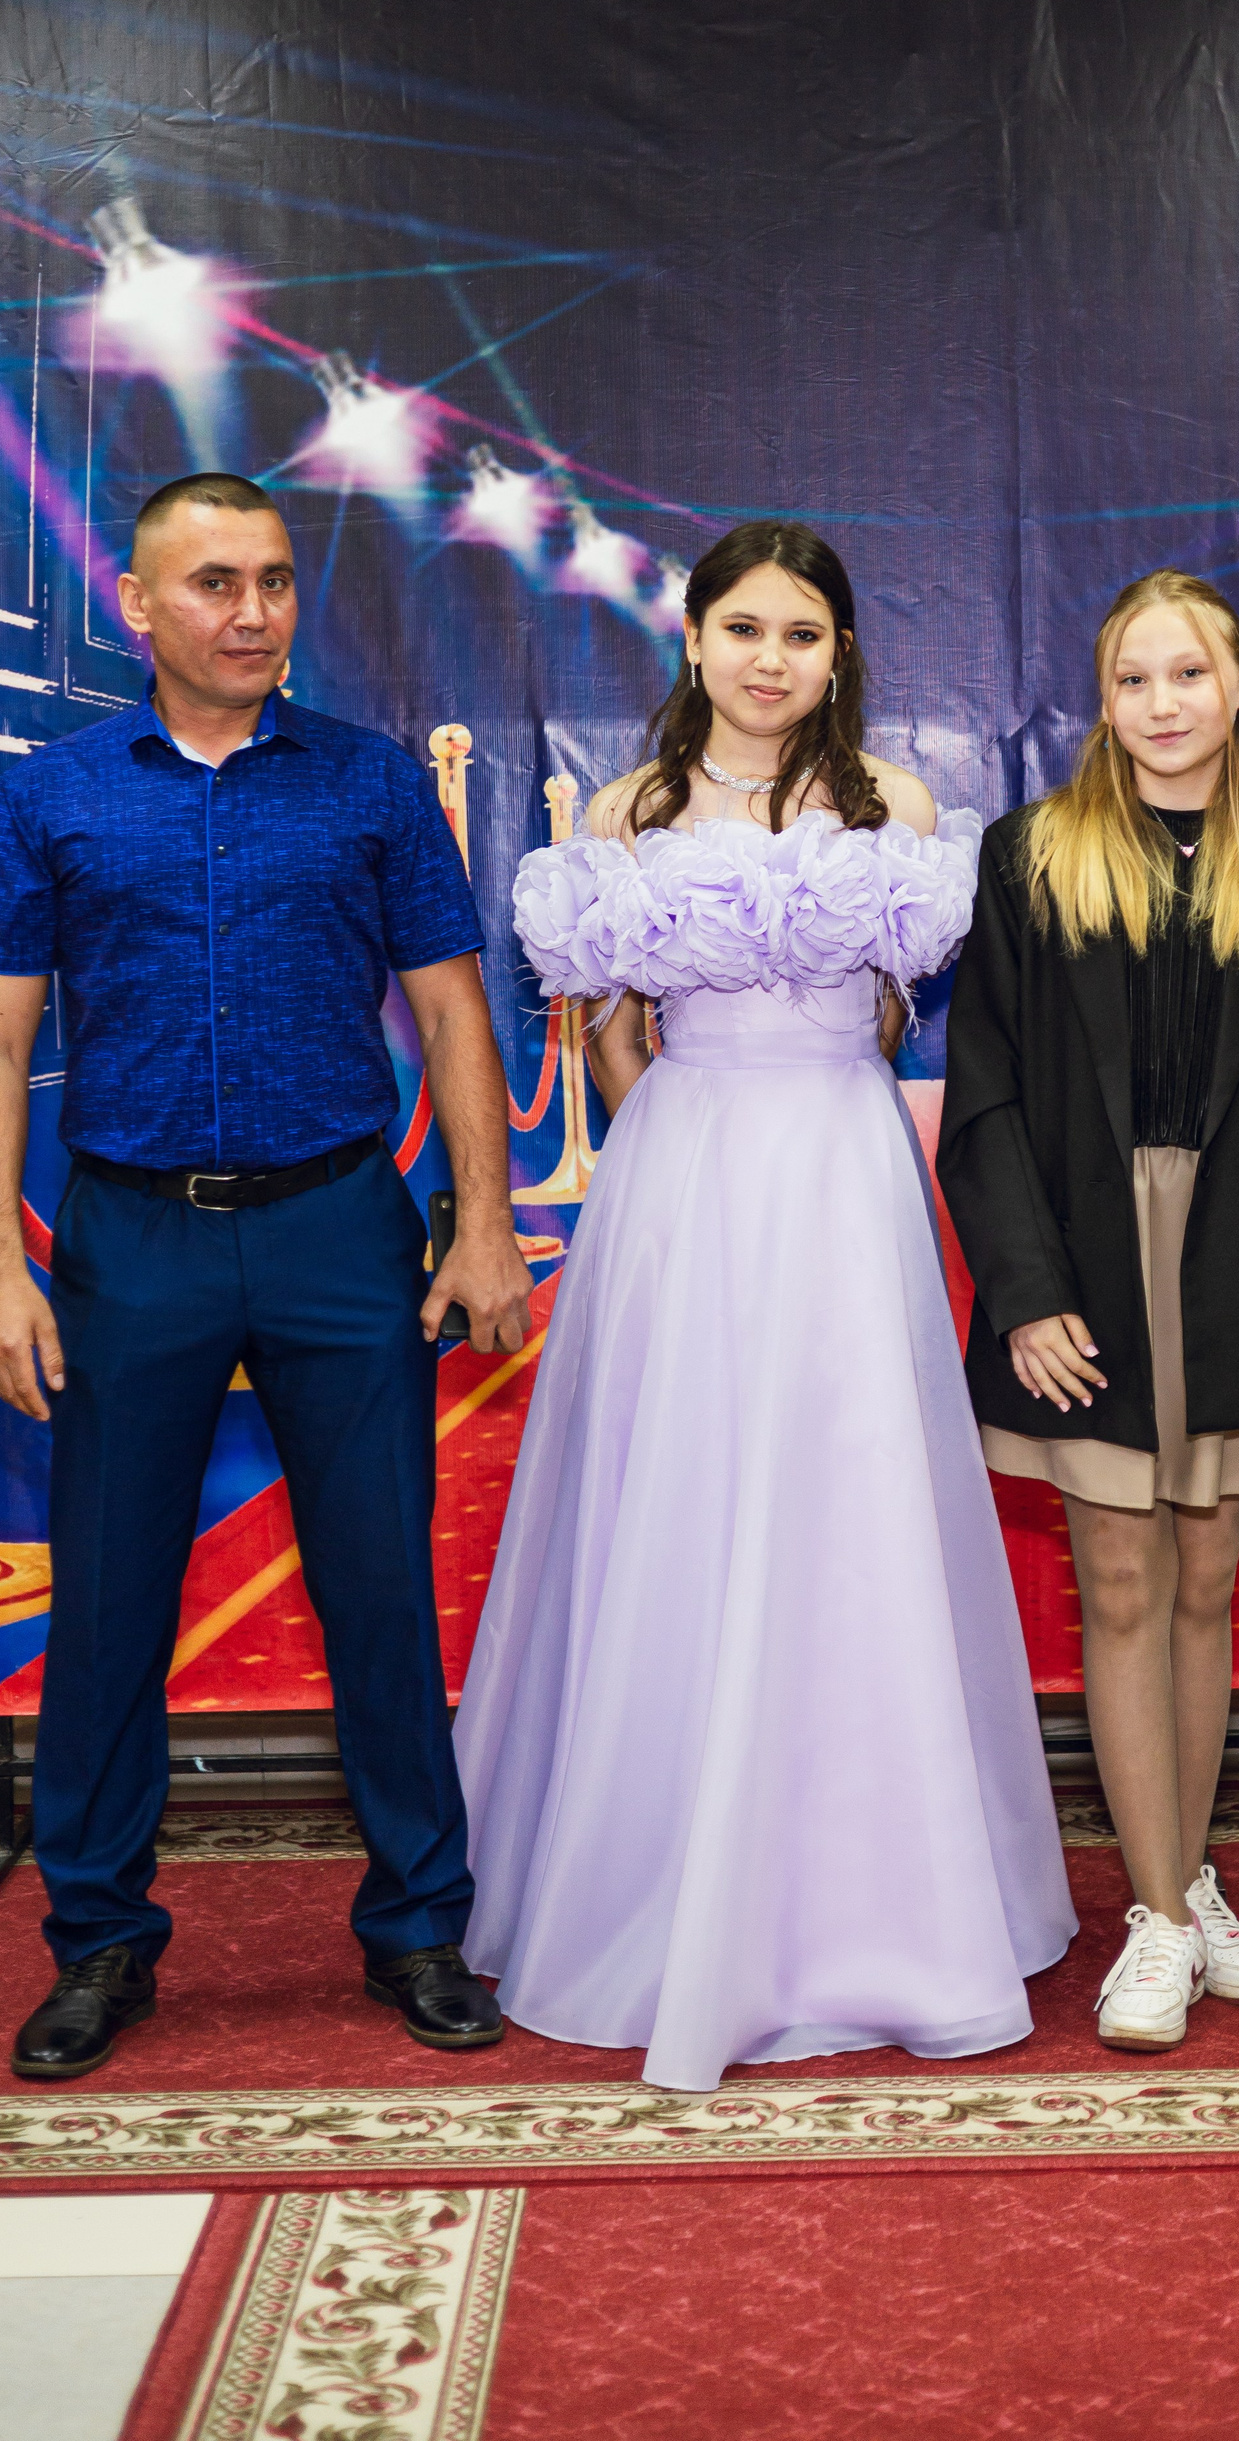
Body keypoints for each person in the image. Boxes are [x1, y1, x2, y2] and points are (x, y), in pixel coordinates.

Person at [453, 519, 1074, 2091]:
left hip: (841, 1172)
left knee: (849, 1503)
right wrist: (671, 1129)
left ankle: (876, 1901)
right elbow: (606, 1028)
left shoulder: (898, 811)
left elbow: (894, 1007)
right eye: (743, 628)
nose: (770, 658)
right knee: (686, 1497)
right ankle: (659, 1890)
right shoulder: (626, 811)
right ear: (694, 639)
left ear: (839, 652)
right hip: (685, 1172)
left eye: (801, 632)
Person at [0, 473, 534, 2080]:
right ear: (136, 606)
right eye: (215, 581)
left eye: (275, 580)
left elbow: (453, 1009)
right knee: (108, 1604)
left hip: (339, 1230)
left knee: (380, 1591)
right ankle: (98, 1940)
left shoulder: (370, 783)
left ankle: (419, 1925)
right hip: (131, 1240)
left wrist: (483, 1221)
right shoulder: (54, 795)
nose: (253, 611)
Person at [937, 569, 1239, 2051]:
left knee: (1207, 1586)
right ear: (1105, 699)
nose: (1161, 703)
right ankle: (1161, 1919)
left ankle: (1185, 1886)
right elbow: (986, 1092)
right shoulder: (1031, 855)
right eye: (1133, 679)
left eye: (1189, 673)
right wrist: (1026, 1291)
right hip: (1086, 1263)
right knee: (1121, 1583)